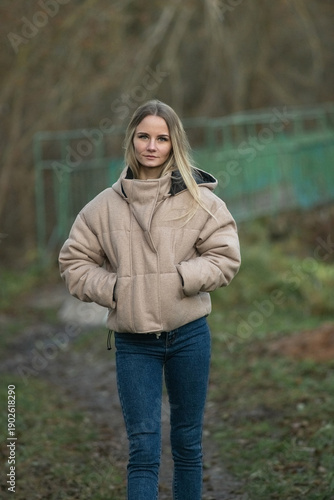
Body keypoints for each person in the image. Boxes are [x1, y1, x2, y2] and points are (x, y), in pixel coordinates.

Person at [58, 99, 241, 500]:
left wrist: (181, 277)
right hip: (133, 343)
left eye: (162, 138)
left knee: (188, 445)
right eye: (144, 136)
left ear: (175, 144)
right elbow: (73, 263)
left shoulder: (201, 201)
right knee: (143, 451)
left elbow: (225, 257)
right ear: (131, 141)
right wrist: (115, 289)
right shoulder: (103, 207)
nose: (152, 146)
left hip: (190, 337)